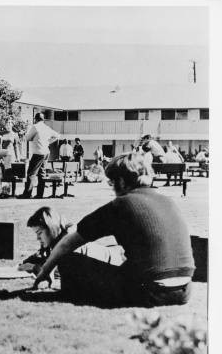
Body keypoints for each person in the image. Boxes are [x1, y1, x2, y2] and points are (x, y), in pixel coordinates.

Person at [32, 152, 195, 307]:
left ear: (122, 181)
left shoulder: (121, 205)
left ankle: (71, 294)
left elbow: (69, 242)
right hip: (184, 290)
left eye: (112, 183)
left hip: (149, 290)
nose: (113, 189)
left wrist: (46, 269)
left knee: (70, 258)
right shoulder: (168, 201)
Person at [18, 207, 125, 281]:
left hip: (117, 264)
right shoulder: (58, 239)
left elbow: (61, 271)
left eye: (39, 233)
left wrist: (34, 267)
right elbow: (45, 256)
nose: (37, 238)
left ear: (51, 229)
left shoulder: (68, 241)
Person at [18, 112, 60, 199]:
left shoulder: (35, 127)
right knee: (42, 173)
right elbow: (57, 136)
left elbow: (27, 138)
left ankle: (27, 194)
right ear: (43, 119)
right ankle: (40, 194)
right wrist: (48, 142)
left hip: (38, 152)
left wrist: (23, 133)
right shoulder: (47, 128)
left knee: (31, 173)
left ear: (35, 119)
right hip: (46, 152)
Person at [0, 118, 20, 198]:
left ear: (12, 124)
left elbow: (16, 147)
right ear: (5, 124)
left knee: (11, 174)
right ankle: (4, 192)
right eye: (7, 123)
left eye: (10, 123)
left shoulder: (15, 134)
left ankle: (13, 193)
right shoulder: (1, 133)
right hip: (3, 155)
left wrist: (18, 157)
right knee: (3, 175)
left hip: (11, 156)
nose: (8, 124)